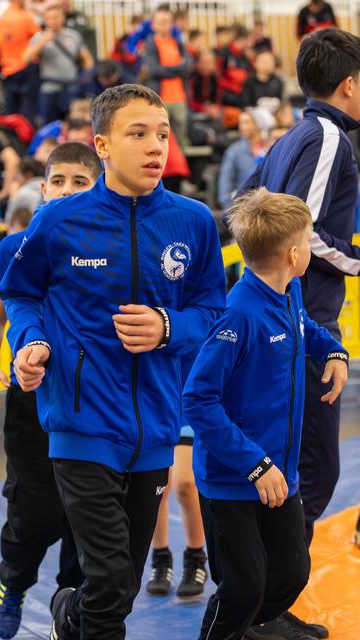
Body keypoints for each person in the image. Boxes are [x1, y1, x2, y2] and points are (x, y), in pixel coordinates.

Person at [0, 83, 226, 640]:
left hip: (155, 427)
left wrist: (168, 327)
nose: (156, 146)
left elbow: (212, 311)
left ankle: (65, 616)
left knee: (116, 585)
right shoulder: (58, 222)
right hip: (80, 425)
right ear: (101, 144)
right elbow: (20, 295)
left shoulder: (193, 221)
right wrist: (30, 342)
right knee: (110, 574)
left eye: (163, 134)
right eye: (138, 133)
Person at [235, 28, 360, 639]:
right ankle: (260, 605)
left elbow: (243, 204)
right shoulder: (329, 137)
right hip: (298, 320)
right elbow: (299, 233)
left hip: (277, 316)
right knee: (312, 466)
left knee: (287, 463)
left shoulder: (290, 135)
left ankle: (265, 604)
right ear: (350, 83)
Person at [184, 187, 349, 640]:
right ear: (295, 253)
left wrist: (333, 351)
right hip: (234, 480)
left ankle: (252, 630)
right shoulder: (238, 316)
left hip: (282, 473)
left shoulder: (289, 288)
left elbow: (306, 329)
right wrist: (255, 466)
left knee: (292, 574)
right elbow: (198, 400)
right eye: (310, 238)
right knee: (242, 588)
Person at [0, 142, 102, 640]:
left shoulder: (113, 246)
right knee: (35, 511)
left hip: (92, 397)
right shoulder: (16, 245)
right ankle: (14, 580)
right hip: (31, 400)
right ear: (42, 187)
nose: (67, 190)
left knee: (85, 516)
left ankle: (72, 611)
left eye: (80, 182)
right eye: (59, 181)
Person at [146, 429, 207, 598]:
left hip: (185, 413)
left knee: (185, 485)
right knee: (157, 487)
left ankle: (196, 558)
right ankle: (160, 559)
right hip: (158, 413)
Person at [24, 3, 93, 125]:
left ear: (63, 18)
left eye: (56, 17)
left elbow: (88, 60)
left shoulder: (73, 36)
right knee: (49, 124)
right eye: (49, 18)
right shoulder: (39, 37)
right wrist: (42, 42)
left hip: (71, 88)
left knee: (73, 123)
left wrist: (84, 79)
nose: (53, 21)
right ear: (44, 20)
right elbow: (26, 58)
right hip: (49, 88)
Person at [145, 6, 190, 148]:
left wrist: (167, 69)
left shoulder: (177, 43)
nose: (166, 25)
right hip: (160, 98)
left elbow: (188, 66)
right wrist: (178, 68)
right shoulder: (151, 43)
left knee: (180, 144)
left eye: (168, 21)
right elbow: (154, 70)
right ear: (154, 25)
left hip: (179, 98)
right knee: (160, 142)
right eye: (162, 21)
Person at [218, 108, 272, 210]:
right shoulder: (234, 150)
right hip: (243, 208)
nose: (242, 127)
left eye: (247, 122)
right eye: (241, 123)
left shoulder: (270, 148)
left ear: (258, 124)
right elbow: (225, 181)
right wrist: (229, 209)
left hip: (268, 206)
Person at [0, 0, 40, 122]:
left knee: (10, 110)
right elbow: (38, 38)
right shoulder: (25, 17)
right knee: (27, 110)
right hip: (25, 67)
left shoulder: (1, 18)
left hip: (8, 69)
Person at [5, 157, 44, 222]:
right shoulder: (48, 187)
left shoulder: (23, 192)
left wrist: (12, 197)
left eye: (18, 173)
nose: (15, 177)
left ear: (28, 174)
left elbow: (9, 219)